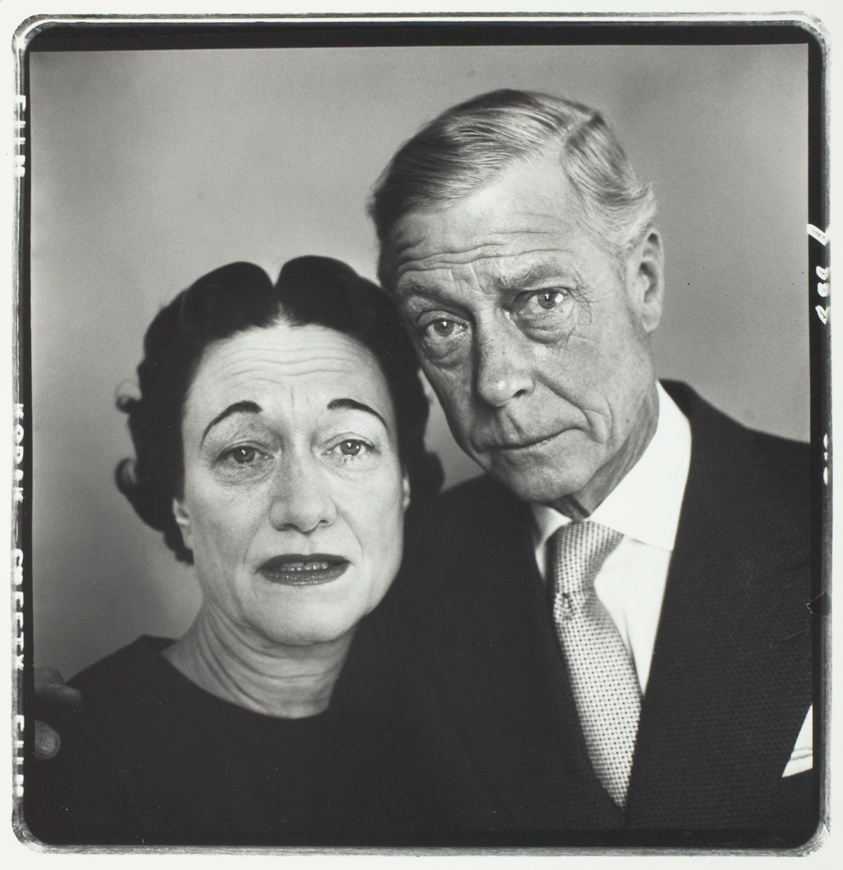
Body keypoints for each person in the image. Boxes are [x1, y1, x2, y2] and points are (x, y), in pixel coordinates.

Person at [368, 89, 816, 845]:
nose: (494, 381)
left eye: (540, 300)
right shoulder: (395, 578)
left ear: (642, 279)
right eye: (442, 326)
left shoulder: (819, 516)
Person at [24, 255, 444, 846]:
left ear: (402, 482)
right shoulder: (61, 768)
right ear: (179, 502)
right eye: (244, 453)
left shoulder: (448, 745)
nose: (303, 508)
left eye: (350, 445)